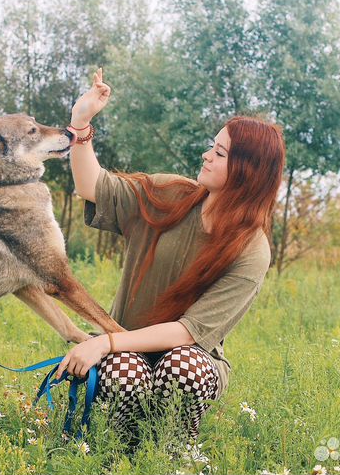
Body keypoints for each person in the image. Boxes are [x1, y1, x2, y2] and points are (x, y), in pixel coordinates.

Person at [56, 67, 286, 446]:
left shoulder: (251, 249)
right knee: (124, 373)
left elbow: (189, 333)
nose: (206, 155)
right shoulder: (171, 194)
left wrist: (104, 342)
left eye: (219, 152)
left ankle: (173, 453)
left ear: (247, 171)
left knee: (184, 366)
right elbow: (91, 186)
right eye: (212, 146)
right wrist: (80, 124)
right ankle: (119, 453)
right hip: (125, 351)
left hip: (187, 359)